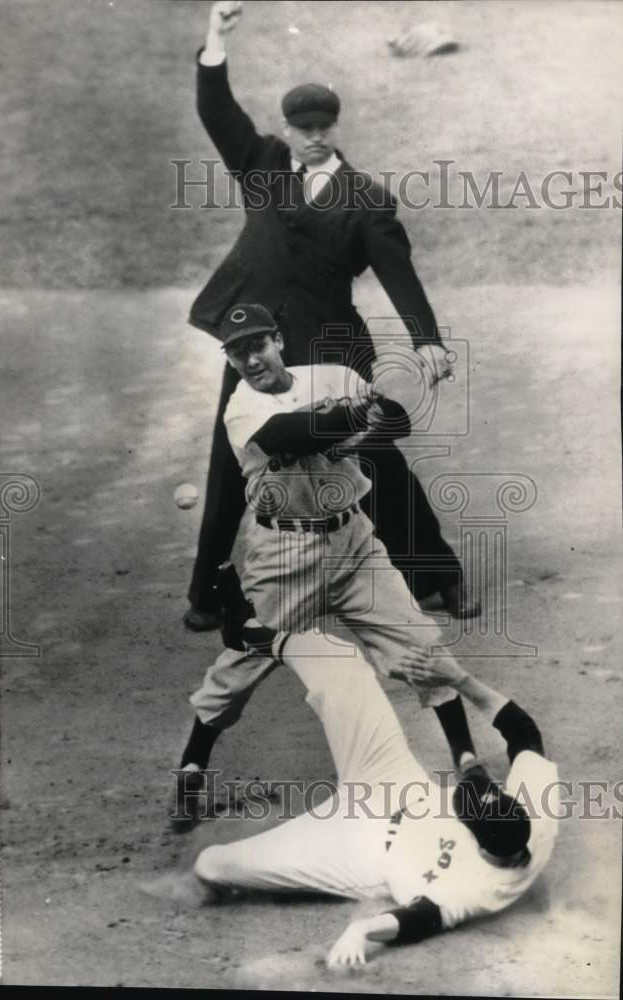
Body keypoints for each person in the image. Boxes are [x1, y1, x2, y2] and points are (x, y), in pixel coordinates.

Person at [184, 0, 480, 631]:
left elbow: (399, 273)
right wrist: (215, 38)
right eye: (303, 126)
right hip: (258, 344)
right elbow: (216, 111)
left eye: (324, 125)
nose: (314, 135)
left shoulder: (367, 199)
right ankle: (207, 594)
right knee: (234, 456)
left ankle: (436, 578)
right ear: (288, 129)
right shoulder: (261, 163)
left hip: (335, 343)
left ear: (335, 126)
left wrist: (427, 339)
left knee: (375, 455)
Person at [173, 304, 477, 826]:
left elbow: (395, 423)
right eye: (237, 351)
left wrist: (372, 420)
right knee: (241, 665)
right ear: (230, 359)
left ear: (279, 341)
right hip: (283, 557)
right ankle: (191, 770)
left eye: (258, 344)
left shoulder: (332, 376)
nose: (251, 359)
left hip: (355, 544)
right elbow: (293, 434)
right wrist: (359, 413)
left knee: (419, 642)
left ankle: (468, 761)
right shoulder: (242, 410)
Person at [189, 622, 559, 966]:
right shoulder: (536, 819)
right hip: (393, 778)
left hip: (354, 849)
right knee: (338, 661)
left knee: (211, 865)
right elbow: (524, 732)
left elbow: (417, 920)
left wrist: (362, 929)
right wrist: (459, 680)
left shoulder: (475, 890)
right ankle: (257, 633)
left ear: (479, 843)